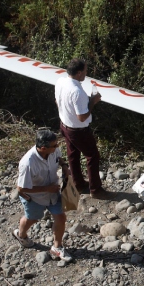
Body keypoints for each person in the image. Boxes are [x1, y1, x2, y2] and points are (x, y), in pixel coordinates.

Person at [13, 129, 71, 261]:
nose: (57, 147)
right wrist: (46, 189)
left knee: (61, 217)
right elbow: (21, 188)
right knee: (32, 218)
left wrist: (64, 165)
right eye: (55, 145)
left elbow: (59, 158)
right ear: (43, 148)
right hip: (34, 198)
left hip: (53, 193)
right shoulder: (28, 163)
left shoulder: (53, 150)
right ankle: (21, 235)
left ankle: (57, 247)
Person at [55, 59, 107, 200]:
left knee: (73, 155)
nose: (86, 73)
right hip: (78, 130)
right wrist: (93, 102)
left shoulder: (60, 82)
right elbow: (82, 117)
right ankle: (95, 189)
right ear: (78, 73)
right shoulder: (78, 92)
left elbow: (57, 101)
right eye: (85, 71)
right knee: (92, 156)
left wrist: (66, 114)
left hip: (65, 125)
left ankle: (78, 183)